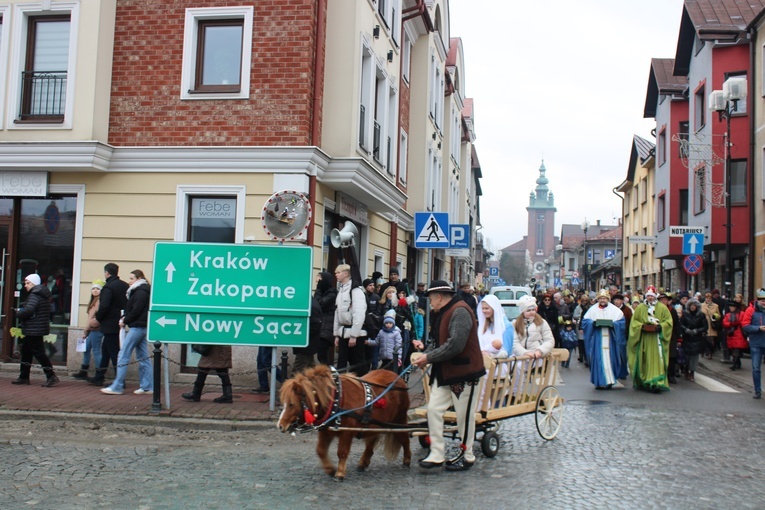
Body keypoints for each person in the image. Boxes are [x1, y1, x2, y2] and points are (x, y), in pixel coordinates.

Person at [411, 280, 485, 472]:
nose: (430, 304)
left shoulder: (460, 311)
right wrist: (426, 350)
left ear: (438, 297)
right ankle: (437, 453)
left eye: (430, 299)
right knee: (434, 410)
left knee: (464, 416)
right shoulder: (443, 313)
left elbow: (455, 345)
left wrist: (428, 357)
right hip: (445, 373)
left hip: (464, 373)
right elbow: (439, 342)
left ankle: (467, 455)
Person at [101, 270, 153, 395]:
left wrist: (125, 319)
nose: (129, 281)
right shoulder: (142, 290)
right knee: (143, 357)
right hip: (141, 326)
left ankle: (118, 385)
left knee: (123, 354)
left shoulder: (140, 292)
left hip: (137, 327)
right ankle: (148, 386)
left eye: (131, 278)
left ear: (139, 278)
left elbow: (136, 310)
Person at [12, 274, 60, 387]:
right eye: (25, 283)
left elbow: (29, 310)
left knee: (39, 353)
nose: (25, 285)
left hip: (33, 328)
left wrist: (18, 312)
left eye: (28, 283)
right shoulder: (42, 294)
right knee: (26, 352)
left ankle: (51, 376)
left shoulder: (35, 294)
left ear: (34, 284)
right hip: (36, 328)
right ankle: (23, 377)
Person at [89, 263, 129, 386]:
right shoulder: (124, 285)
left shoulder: (108, 287)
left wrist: (98, 318)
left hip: (109, 323)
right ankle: (99, 376)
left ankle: (120, 380)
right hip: (120, 321)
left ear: (107, 273)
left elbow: (104, 305)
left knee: (113, 352)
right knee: (106, 350)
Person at [628, 286, 673, 392]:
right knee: (644, 358)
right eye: (648, 296)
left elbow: (669, 322)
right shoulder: (640, 308)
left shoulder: (662, 308)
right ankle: (644, 380)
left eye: (651, 296)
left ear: (655, 297)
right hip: (645, 339)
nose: (650, 298)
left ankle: (657, 382)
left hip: (657, 339)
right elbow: (634, 322)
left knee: (657, 359)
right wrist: (641, 327)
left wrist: (661, 327)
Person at [581, 289, 627, 389]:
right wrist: (592, 324)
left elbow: (621, 323)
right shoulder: (592, 310)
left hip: (611, 339)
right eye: (601, 298)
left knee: (611, 359)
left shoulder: (615, 310)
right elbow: (585, 322)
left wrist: (613, 325)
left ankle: (610, 380)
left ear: (608, 299)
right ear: (598, 299)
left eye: (604, 298)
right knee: (598, 359)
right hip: (598, 339)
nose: (602, 300)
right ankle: (600, 381)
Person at [333, 264, 368, 375]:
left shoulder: (356, 291)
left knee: (358, 365)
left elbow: (359, 314)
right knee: (341, 365)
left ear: (346, 274)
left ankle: (363, 388)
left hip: (356, 335)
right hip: (343, 333)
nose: (336, 275)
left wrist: (354, 335)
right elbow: (337, 314)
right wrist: (337, 334)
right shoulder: (341, 291)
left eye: (338, 272)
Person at [73, 279, 106, 381]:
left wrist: (88, 329)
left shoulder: (99, 301)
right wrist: (87, 331)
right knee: (86, 349)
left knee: (96, 351)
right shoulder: (93, 301)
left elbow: (95, 318)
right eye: (93, 289)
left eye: (97, 289)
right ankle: (84, 371)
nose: (95, 291)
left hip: (96, 329)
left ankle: (99, 374)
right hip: (92, 329)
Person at [511, 295, 555, 360]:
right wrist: (524, 353)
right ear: (522, 312)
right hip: (520, 356)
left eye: (533, 310)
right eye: (528, 310)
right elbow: (514, 342)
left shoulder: (542, 322)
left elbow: (549, 340)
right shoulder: (514, 323)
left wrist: (540, 351)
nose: (531, 312)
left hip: (537, 357)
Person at [742, 289, 765, 399]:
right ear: (758, 300)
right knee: (756, 367)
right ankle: (757, 390)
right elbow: (745, 326)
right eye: (762, 300)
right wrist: (758, 328)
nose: (764, 302)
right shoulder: (751, 310)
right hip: (756, 343)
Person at [679, 297, 707, 382]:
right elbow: (680, 324)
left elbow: (705, 326)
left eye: (694, 305)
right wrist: (686, 330)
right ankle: (686, 370)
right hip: (687, 338)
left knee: (694, 358)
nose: (692, 307)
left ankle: (692, 372)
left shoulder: (701, 315)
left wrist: (696, 331)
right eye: (691, 305)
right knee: (686, 357)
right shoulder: (685, 314)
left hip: (696, 338)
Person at [292, 296, 322, 375]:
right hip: (308, 345)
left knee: (297, 373)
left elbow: (315, 326)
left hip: (306, 346)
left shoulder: (311, 305)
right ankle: (316, 386)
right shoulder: (311, 304)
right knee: (311, 372)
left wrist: (301, 334)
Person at [314, 271, 337, 366]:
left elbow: (319, 305)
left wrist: (318, 290)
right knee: (319, 355)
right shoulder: (322, 292)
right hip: (320, 327)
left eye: (319, 280)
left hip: (326, 328)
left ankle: (329, 374)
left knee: (322, 355)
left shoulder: (332, 294)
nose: (317, 282)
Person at [658, 292, 680, 384]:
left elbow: (677, 325)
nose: (663, 301)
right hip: (659, 336)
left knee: (671, 357)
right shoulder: (656, 310)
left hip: (671, 337)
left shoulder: (672, 310)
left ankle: (671, 375)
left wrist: (678, 338)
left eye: (665, 300)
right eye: (661, 300)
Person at [723, 300, 746, 371]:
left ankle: (734, 364)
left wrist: (737, 323)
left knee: (737, 349)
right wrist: (730, 324)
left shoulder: (741, 314)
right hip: (731, 334)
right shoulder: (728, 315)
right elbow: (724, 323)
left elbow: (744, 321)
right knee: (733, 350)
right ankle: (738, 363)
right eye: (730, 307)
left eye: (732, 307)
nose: (731, 308)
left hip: (739, 334)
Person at [701, 292, 721, 360]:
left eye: (709, 298)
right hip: (703, 324)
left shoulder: (716, 306)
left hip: (711, 325)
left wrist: (714, 317)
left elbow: (719, 315)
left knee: (711, 340)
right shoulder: (701, 305)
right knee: (704, 340)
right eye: (707, 298)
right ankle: (703, 351)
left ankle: (710, 353)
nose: (708, 299)